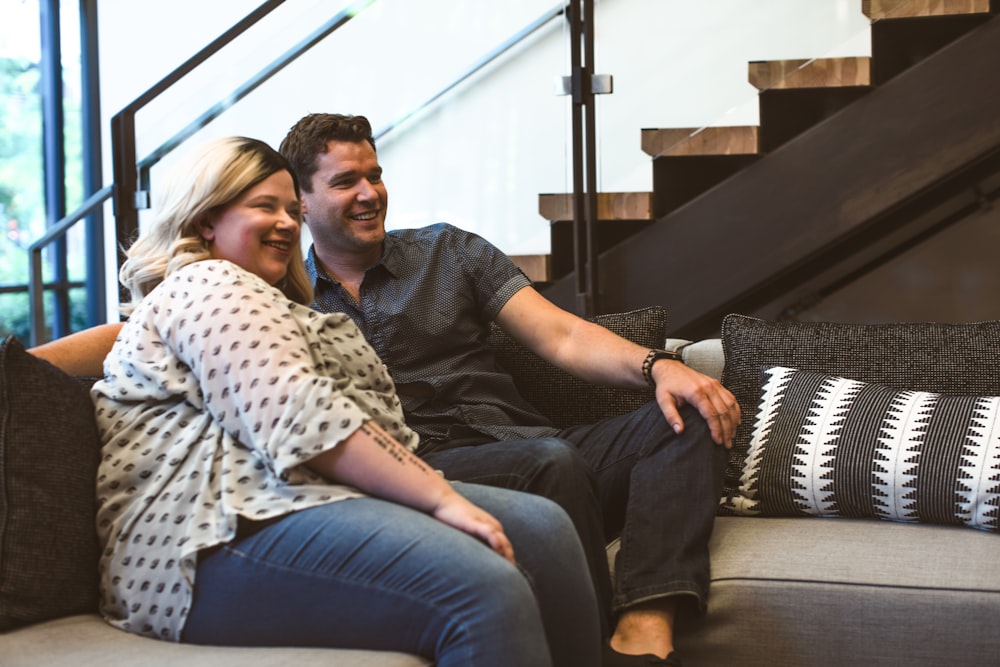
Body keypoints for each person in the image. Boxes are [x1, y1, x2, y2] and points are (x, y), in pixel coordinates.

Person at [85, 135, 601, 667]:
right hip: (205, 536)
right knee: (485, 587)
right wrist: (439, 499)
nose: (288, 222)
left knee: (544, 529)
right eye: (265, 207)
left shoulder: (279, 306)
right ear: (204, 221)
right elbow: (301, 413)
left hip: (302, 503)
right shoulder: (207, 283)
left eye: (291, 209)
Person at [277, 113, 742, 667]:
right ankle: (587, 650)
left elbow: (563, 336)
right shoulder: (286, 306)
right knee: (552, 462)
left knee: (689, 410)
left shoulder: (449, 253)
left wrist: (660, 366)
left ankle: (644, 621)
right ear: (300, 201)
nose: (369, 193)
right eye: (345, 182)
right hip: (428, 473)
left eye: (374, 175)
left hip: (535, 447)